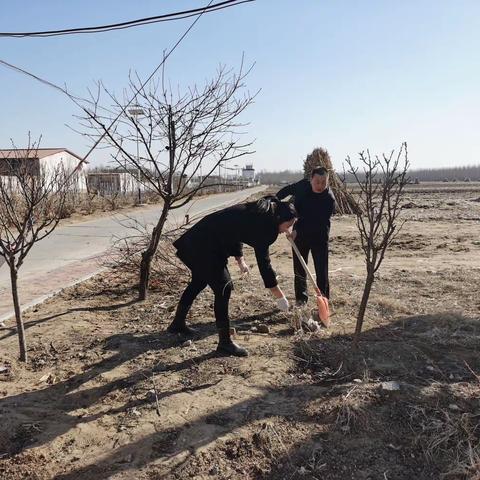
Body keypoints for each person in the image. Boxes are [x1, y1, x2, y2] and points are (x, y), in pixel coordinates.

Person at [167, 196, 297, 357]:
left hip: (198, 241)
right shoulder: (264, 225)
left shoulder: (260, 213)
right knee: (224, 287)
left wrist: (240, 260)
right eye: (288, 225)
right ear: (279, 218)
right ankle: (224, 343)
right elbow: (264, 264)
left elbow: (236, 231)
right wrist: (280, 296)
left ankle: (177, 324)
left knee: (199, 281)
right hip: (203, 244)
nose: (288, 230)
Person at [277, 167, 336, 305]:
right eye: (317, 182)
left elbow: (316, 223)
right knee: (299, 268)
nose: (320, 185)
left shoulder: (329, 200)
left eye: (324, 182)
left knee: (321, 271)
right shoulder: (303, 186)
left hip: (319, 236)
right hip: (300, 234)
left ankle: (324, 300)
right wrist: (275, 202)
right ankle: (301, 299)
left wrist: (297, 230)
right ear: (311, 180)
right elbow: (286, 191)